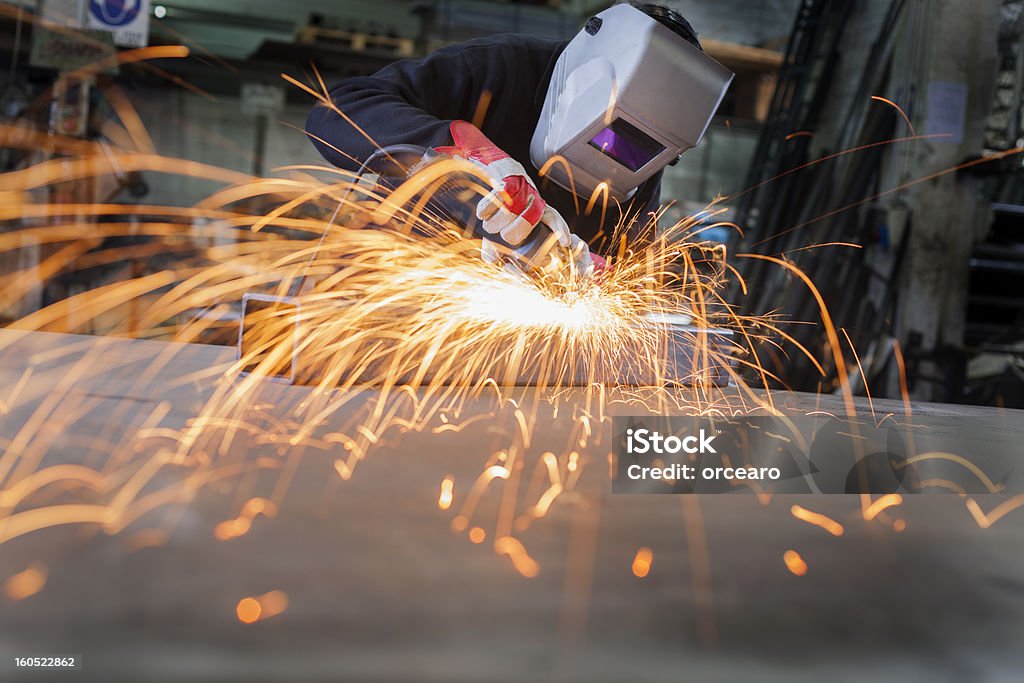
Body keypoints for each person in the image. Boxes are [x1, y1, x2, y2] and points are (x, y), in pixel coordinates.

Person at [306, 2, 731, 273]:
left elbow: (627, 268)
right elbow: (336, 109)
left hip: (500, 343)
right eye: (609, 129)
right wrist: (463, 147)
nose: (612, 151)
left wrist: (595, 275)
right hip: (388, 284)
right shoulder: (498, 68)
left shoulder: (644, 163)